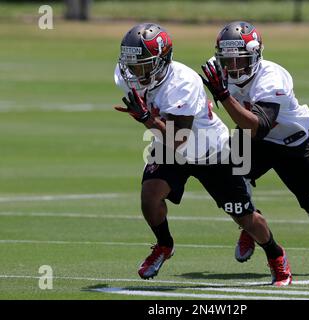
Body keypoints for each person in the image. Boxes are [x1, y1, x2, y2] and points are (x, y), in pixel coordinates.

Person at [113, 22, 292, 286]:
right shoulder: (126, 74)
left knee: (243, 216)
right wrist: (149, 119)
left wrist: (147, 120)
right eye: (132, 65)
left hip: (211, 150)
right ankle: (164, 245)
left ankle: (276, 255)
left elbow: (180, 138)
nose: (134, 72)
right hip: (170, 145)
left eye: (143, 65)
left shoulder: (183, 83)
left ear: (162, 61)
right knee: (149, 198)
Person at [200, 21, 309, 275]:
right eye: (227, 60)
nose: (232, 67)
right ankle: (251, 224)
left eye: (240, 60)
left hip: (292, 144)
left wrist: (223, 95)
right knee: (229, 182)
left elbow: (259, 126)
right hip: (252, 140)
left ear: (256, 55)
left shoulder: (273, 77)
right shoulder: (219, 70)